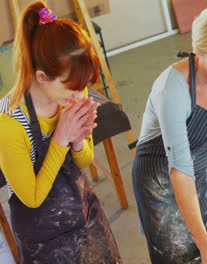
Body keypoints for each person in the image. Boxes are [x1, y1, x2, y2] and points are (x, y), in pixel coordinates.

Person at [131, 4, 207, 264]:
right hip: (160, 173)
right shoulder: (172, 90)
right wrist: (202, 240)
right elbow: (180, 169)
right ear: (200, 51)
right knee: (182, 254)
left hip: (197, 160)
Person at [0, 1, 121, 263]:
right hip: (42, 235)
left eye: (83, 87)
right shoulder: (9, 123)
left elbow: (85, 161)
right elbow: (32, 198)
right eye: (73, 90)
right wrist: (60, 138)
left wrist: (78, 142)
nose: (81, 96)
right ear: (42, 77)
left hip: (84, 212)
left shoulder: (73, 90)